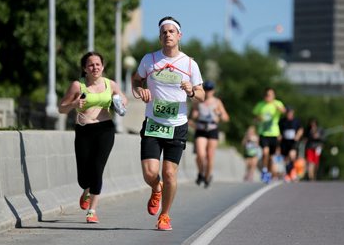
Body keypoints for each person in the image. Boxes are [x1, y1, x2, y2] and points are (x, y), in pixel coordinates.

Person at [131, 16, 204, 231]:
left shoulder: (190, 64)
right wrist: (140, 90)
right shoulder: (150, 59)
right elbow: (136, 80)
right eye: (164, 32)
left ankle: (165, 215)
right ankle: (156, 187)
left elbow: (201, 94)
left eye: (172, 31)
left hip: (178, 125)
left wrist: (191, 90)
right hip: (153, 123)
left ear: (179, 35)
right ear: (160, 36)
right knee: (150, 173)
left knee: (170, 173)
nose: (168, 35)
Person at [58, 51, 128, 223]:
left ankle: (92, 210)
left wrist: (118, 102)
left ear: (103, 67)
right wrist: (74, 104)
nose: (95, 67)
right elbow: (61, 108)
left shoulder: (110, 84)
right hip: (83, 130)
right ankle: (86, 190)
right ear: (85, 68)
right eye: (91, 65)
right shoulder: (77, 85)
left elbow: (124, 100)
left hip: (105, 129)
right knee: (83, 176)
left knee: (97, 168)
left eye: (98, 64)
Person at [190, 80, 229, 188]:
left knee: (210, 156)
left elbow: (226, 118)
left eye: (210, 90)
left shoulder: (217, 102)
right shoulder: (198, 101)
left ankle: (207, 177)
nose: (208, 92)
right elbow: (192, 117)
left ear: (213, 91)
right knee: (200, 155)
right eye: (206, 90)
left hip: (212, 129)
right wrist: (194, 115)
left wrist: (219, 113)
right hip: (201, 129)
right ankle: (201, 172)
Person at [252, 87, 286, 183]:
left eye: (270, 95)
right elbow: (255, 117)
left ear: (273, 95)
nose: (268, 97)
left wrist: (276, 106)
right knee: (265, 152)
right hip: (263, 133)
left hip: (274, 133)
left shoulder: (277, 103)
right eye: (267, 95)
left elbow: (284, 111)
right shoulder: (261, 105)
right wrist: (259, 118)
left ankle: (269, 174)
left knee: (271, 156)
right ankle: (264, 170)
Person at [279, 106, 304, 181]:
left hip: (293, 141)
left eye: (290, 112)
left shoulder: (296, 121)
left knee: (292, 155)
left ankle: (293, 172)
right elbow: (279, 129)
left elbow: (301, 129)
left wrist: (297, 136)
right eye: (288, 113)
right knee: (286, 158)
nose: (289, 114)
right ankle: (287, 173)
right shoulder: (282, 121)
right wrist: (279, 136)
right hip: (284, 141)